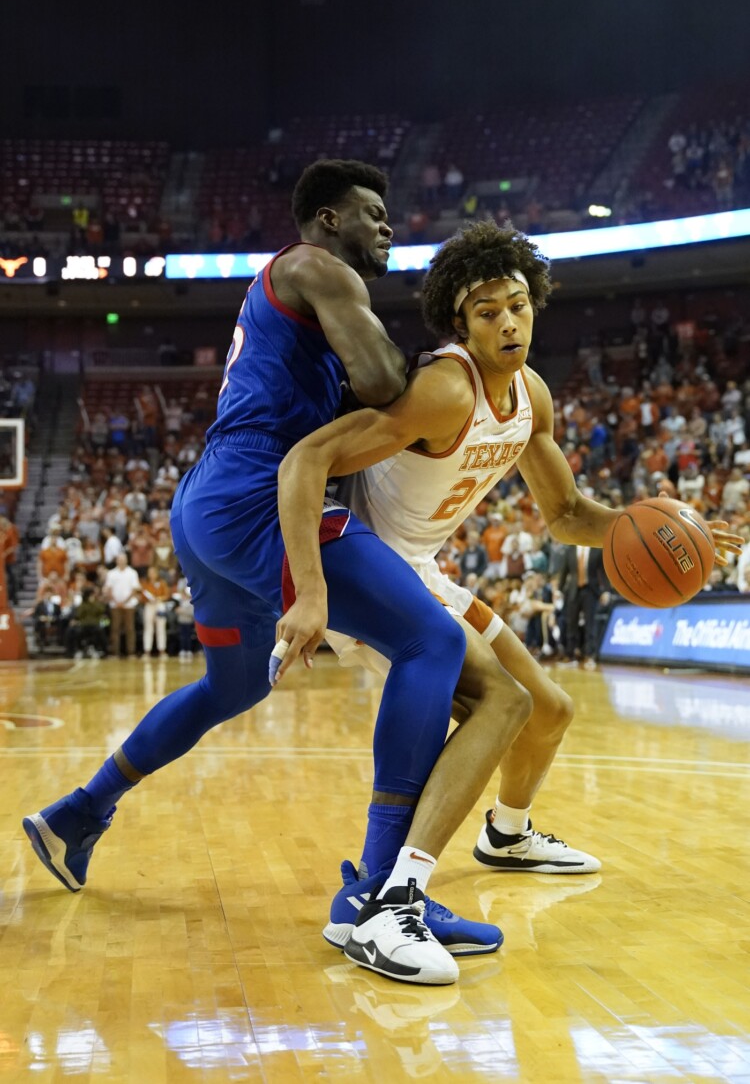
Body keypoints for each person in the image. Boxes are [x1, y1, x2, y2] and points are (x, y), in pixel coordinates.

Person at [23, 160, 529, 987]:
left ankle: (78, 812)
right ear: (327, 220)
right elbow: (384, 380)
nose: (387, 226)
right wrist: (446, 368)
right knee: (431, 643)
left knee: (234, 687)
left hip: (206, 504)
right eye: (372, 213)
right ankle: (375, 897)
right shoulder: (314, 266)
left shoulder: (295, 297)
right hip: (262, 489)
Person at [273, 219, 743, 889]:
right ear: (461, 327)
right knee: (502, 704)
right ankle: (399, 881)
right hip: (369, 562)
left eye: (518, 306)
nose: (508, 323)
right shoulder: (446, 389)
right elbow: (312, 458)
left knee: (550, 708)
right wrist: (312, 587)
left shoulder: (531, 398)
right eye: (487, 313)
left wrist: (668, 529)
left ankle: (508, 834)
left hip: (424, 568)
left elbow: (569, 514)